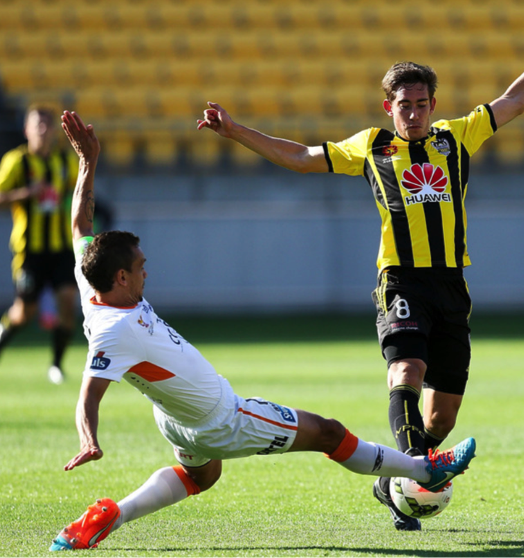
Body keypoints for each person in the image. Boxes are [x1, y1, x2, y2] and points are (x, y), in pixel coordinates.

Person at [197, 8, 524, 530]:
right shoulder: (371, 146)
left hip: (452, 285)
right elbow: (299, 156)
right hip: (400, 279)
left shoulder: (456, 137)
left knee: (441, 417)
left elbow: (514, 101)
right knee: (406, 371)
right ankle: (420, 476)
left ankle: (394, 482)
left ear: (433, 105)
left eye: (422, 105)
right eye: (404, 105)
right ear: (389, 106)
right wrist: (236, 132)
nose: (414, 114)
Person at [48, 111, 477, 551]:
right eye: (140, 267)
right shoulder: (111, 330)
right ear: (120, 277)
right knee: (328, 433)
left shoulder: (92, 281)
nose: (146, 272)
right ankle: (425, 471)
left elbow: (81, 225)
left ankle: (110, 516)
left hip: (176, 420)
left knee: (202, 477)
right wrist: (89, 440)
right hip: (223, 420)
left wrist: (88, 163)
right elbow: (89, 394)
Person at [0, 105, 79, 384]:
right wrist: (26, 193)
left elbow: (81, 187)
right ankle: (2, 332)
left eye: (47, 124)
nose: (42, 129)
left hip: (61, 247)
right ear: (26, 130)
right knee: (25, 311)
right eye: (37, 124)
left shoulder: (65, 161)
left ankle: (57, 364)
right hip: (29, 250)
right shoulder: (16, 161)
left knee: (68, 301)